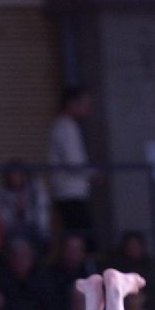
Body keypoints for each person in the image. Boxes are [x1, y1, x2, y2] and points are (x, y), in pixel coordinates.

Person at [47, 85, 95, 238]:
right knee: (82, 236)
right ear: (71, 103)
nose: (88, 108)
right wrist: (92, 174)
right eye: (84, 103)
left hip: (72, 191)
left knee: (80, 234)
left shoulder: (67, 126)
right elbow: (73, 161)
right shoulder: (65, 127)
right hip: (70, 192)